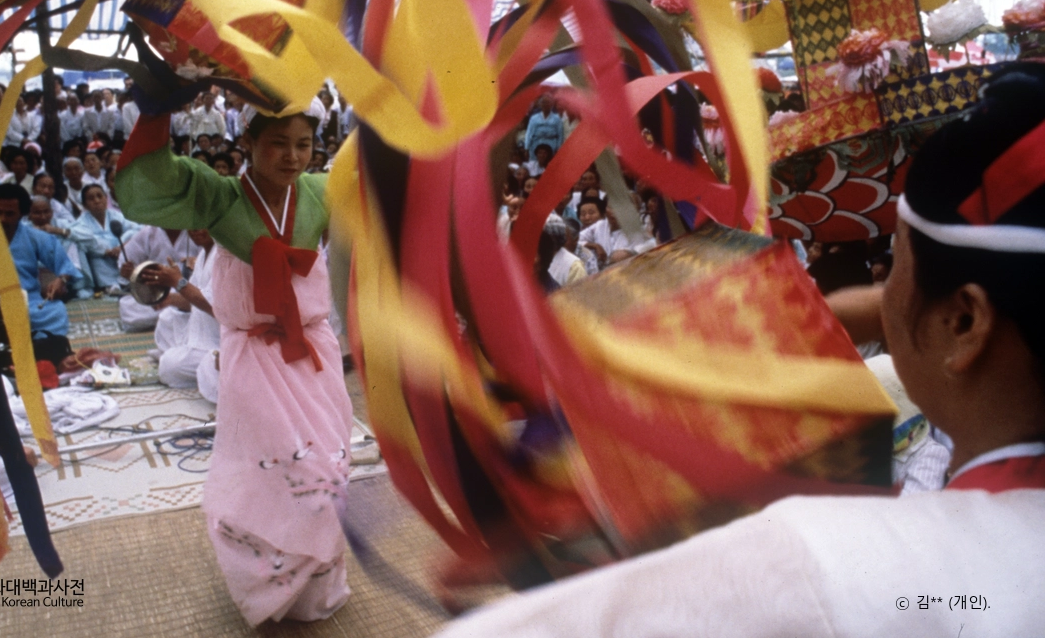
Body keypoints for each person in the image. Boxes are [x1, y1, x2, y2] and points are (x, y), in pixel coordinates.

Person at [432, 62, 1045, 637]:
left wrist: (561, 566)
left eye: (898, 265)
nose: (885, 297)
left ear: (964, 320)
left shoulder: (827, 560)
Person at [117, 104, 351, 625]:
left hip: (314, 351)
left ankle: (314, 588)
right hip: (253, 354)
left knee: (330, 467)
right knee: (278, 470)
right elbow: (149, 185)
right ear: (247, 141)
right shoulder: (221, 198)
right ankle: (268, 587)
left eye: (303, 144)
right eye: (277, 143)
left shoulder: (320, 191)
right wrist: (160, 101)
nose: (292, 156)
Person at [0, 184, 79, 347]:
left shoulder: (35, 237)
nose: (2, 219)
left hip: (29, 302)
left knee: (56, 312)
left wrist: (61, 281)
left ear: (22, 214)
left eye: (9, 214)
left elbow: (65, 267)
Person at [139, 229, 221, 399]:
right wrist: (168, 299)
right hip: (198, 332)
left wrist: (178, 282)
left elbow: (215, 308)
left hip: (217, 341)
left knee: (169, 367)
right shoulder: (203, 257)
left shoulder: (221, 256)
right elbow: (192, 301)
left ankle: (199, 365)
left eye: (201, 225)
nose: (195, 231)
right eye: (191, 226)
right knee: (166, 318)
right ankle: (185, 356)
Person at [116, 226, 197, 332]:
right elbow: (126, 260)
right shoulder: (148, 233)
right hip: (157, 290)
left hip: (190, 287)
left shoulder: (196, 232)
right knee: (128, 308)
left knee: (199, 301)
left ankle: (181, 308)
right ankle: (179, 310)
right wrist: (129, 272)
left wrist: (197, 261)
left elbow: (209, 257)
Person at [68, 183, 140, 295]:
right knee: (81, 243)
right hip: (101, 258)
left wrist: (122, 246)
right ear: (85, 204)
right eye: (91, 199)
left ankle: (130, 281)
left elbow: (138, 230)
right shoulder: (82, 222)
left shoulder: (116, 215)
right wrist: (105, 251)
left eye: (99, 196)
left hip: (121, 254)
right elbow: (82, 238)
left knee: (131, 234)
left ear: (106, 199)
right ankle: (108, 286)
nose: (97, 201)